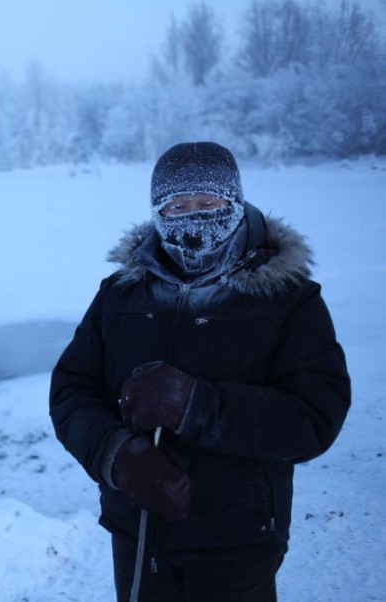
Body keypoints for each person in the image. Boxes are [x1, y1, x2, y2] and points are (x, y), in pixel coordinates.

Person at [48, 142, 350, 601]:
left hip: (238, 543)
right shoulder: (121, 295)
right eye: (176, 205)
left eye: (208, 203)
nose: (193, 219)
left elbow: (313, 417)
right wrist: (116, 456)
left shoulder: (289, 299)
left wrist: (196, 405)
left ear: (235, 203)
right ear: (157, 212)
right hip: (138, 534)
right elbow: (71, 391)